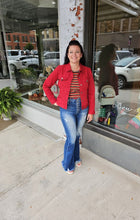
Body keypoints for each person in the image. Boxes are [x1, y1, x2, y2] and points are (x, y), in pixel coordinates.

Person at [43, 40, 95, 174]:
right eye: (71, 52)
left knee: (77, 135)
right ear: (67, 54)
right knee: (71, 137)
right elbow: (46, 85)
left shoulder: (87, 71)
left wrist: (91, 111)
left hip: (83, 108)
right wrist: (53, 101)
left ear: (81, 55)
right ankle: (67, 163)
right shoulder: (61, 69)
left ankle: (77, 157)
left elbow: (91, 92)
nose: (74, 54)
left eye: (77, 52)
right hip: (67, 108)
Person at [98, 44, 119, 128]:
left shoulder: (104, 65)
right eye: (114, 52)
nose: (115, 54)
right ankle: (109, 130)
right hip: (109, 96)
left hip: (105, 96)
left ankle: (100, 129)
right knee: (113, 113)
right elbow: (109, 83)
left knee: (103, 115)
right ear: (110, 54)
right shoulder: (109, 67)